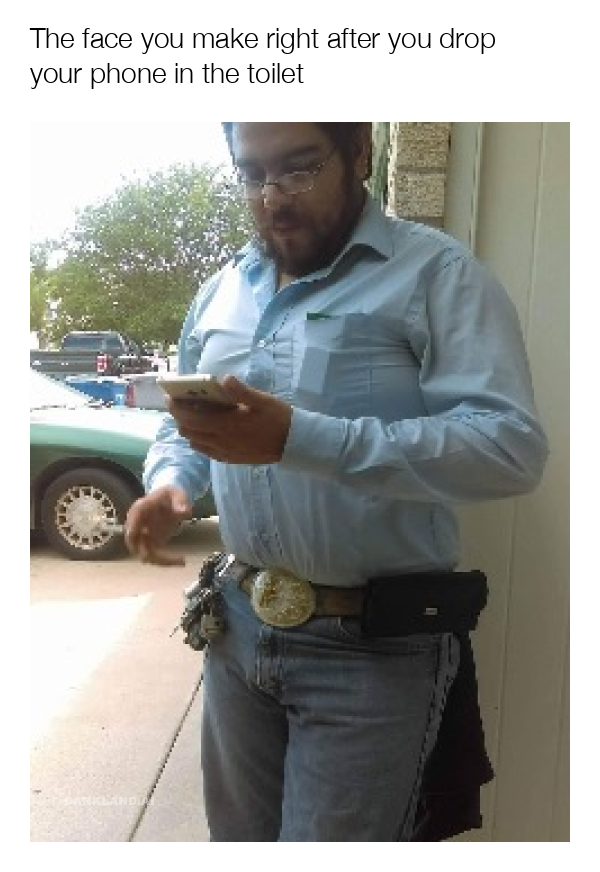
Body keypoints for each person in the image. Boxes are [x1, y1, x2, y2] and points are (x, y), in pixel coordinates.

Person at [125, 122, 548, 841]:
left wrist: (300, 438)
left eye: (298, 169)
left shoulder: (436, 274)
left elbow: (509, 448)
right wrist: (172, 485)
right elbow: (183, 422)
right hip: (236, 627)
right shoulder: (221, 291)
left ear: (359, 154)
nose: (271, 198)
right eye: (250, 174)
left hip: (371, 651)